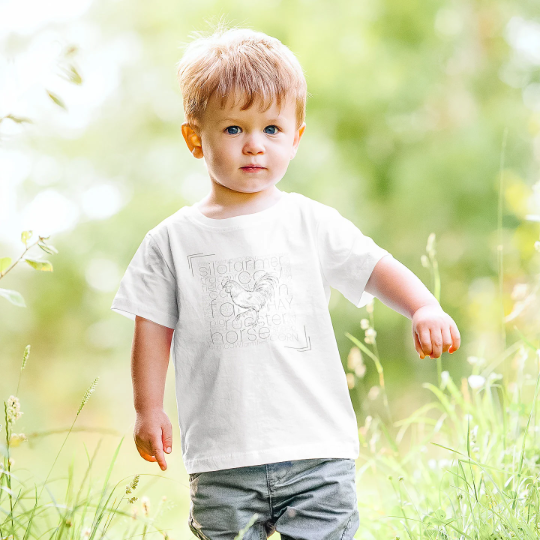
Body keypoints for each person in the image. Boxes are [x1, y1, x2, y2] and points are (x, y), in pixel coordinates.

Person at [111, 23, 461, 540]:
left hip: (316, 450)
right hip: (223, 460)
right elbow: (152, 326)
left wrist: (423, 306)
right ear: (194, 137)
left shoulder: (309, 222)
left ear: (295, 139)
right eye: (233, 130)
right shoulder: (171, 240)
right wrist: (149, 408)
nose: (254, 146)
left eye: (271, 130)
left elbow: (374, 265)